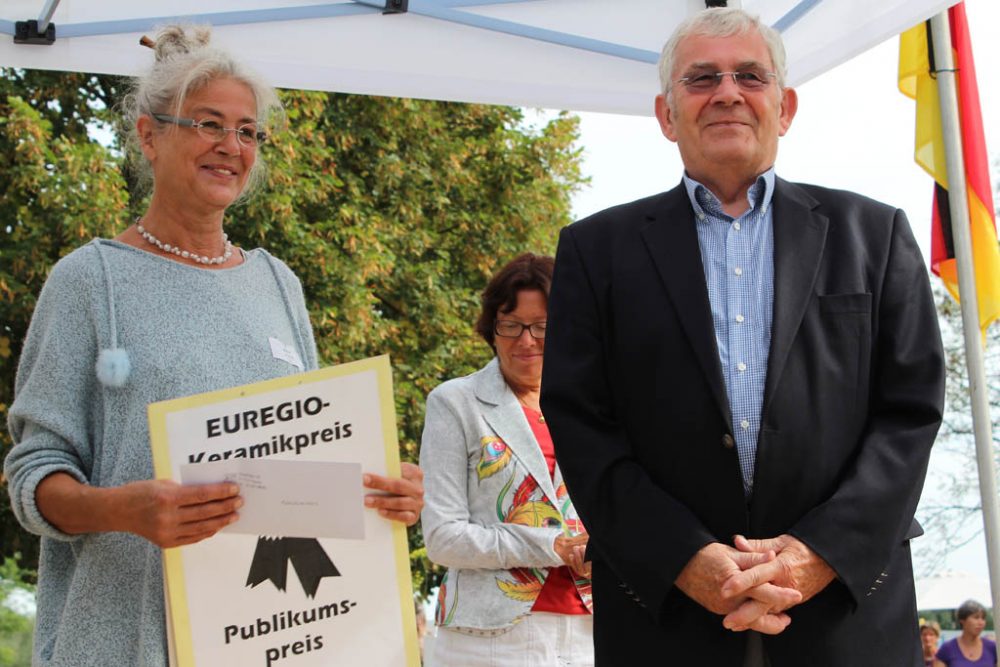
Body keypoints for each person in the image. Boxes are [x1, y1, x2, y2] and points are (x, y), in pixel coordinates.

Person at [3, 25, 423, 667]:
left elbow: (303, 460)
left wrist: (381, 489)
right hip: (124, 642)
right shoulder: (91, 280)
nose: (232, 146)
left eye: (248, 131)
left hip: (265, 635)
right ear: (149, 134)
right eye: (208, 124)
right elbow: (33, 476)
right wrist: (122, 509)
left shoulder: (278, 283)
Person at [540, 7, 945, 666]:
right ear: (667, 114)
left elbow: (911, 415)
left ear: (783, 107)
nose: (727, 91)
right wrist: (684, 557)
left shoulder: (875, 236)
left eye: (748, 76)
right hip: (666, 619)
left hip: (845, 619)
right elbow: (582, 424)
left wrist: (816, 555)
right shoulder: (594, 252)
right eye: (701, 79)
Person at [420, 253, 594, 666]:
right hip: (487, 640)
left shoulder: (598, 408)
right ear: (491, 329)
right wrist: (551, 545)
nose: (526, 340)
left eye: (542, 326)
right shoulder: (455, 402)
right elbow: (442, 537)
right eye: (511, 324)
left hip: (591, 634)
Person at [935, 600, 997, 667]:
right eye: (976, 617)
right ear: (962, 620)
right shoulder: (947, 649)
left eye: (983, 618)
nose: (980, 622)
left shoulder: (992, 647)